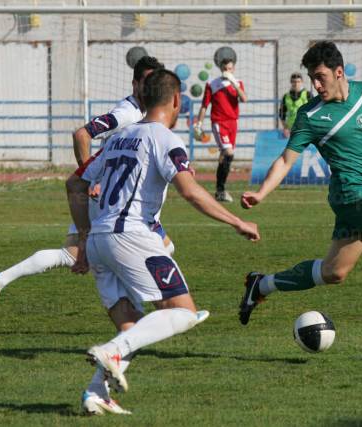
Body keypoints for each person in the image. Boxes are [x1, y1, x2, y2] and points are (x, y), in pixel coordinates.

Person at [67, 69, 259, 414]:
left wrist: (83, 238)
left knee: (135, 328)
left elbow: (75, 185)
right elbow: (190, 191)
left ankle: (96, 393)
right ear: (176, 100)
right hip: (133, 238)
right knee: (183, 313)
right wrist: (236, 221)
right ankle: (110, 352)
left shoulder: (117, 138)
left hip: (98, 240)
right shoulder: (165, 139)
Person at [238, 41, 362, 346]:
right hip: (351, 193)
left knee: (334, 273)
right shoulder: (310, 115)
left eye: (320, 77)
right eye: (312, 79)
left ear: (339, 71)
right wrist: (262, 192)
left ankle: (261, 285)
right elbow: (285, 159)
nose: (316, 85)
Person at [0, 57, 167, 316]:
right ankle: (168, 309)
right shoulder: (127, 113)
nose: (151, 88)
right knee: (156, 245)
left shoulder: (143, 113)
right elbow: (82, 134)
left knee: (75, 253)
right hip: (108, 195)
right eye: (146, 82)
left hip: (113, 193)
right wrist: (90, 178)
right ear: (135, 84)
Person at [195, 58, 247, 202]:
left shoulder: (238, 83)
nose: (228, 71)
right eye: (225, 69)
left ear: (233, 69)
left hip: (233, 123)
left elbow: (244, 98)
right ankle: (221, 190)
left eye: (230, 69)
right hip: (219, 122)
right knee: (229, 154)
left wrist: (234, 83)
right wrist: (198, 124)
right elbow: (205, 105)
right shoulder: (212, 83)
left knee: (224, 156)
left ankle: (219, 191)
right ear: (221, 69)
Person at [279, 72, 312, 139]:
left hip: (305, 129)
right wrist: (285, 128)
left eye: (298, 81)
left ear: (302, 82)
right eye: (294, 82)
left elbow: (314, 111)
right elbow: (282, 114)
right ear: (291, 82)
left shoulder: (308, 95)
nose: (296, 84)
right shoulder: (286, 96)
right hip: (291, 129)